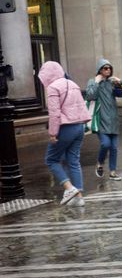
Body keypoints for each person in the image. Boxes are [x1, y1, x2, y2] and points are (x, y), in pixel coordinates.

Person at [38, 61, 91, 207]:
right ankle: (79, 197)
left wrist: (53, 133)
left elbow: (54, 114)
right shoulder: (72, 83)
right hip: (79, 127)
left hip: (65, 128)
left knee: (51, 159)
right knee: (73, 161)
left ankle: (69, 189)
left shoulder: (53, 88)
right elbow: (81, 105)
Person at [86, 59, 122, 181]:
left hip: (113, 120)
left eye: (109, 68)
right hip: (100, 119)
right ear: (99, 70)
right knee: (105, 144)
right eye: (105, 68)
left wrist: (120, 82)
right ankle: (99, 163)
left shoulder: (112, 82)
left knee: (114, 147)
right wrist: (96, 82)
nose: (108, 70)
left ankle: (113, 172)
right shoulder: (93, 81)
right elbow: (90, 96)